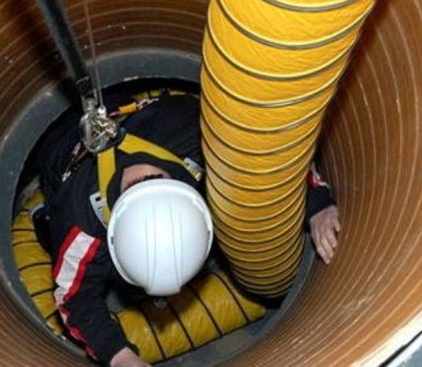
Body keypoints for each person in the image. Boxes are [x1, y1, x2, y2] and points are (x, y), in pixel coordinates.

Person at [34, 90, 340, 367]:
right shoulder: (79, 220)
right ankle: (41, 216)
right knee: (67, 245)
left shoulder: (195, 132)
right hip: (55, 146)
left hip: (133, 107)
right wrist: (120, 357)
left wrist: (317, 204)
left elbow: (272, 151)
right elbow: (75, 299)